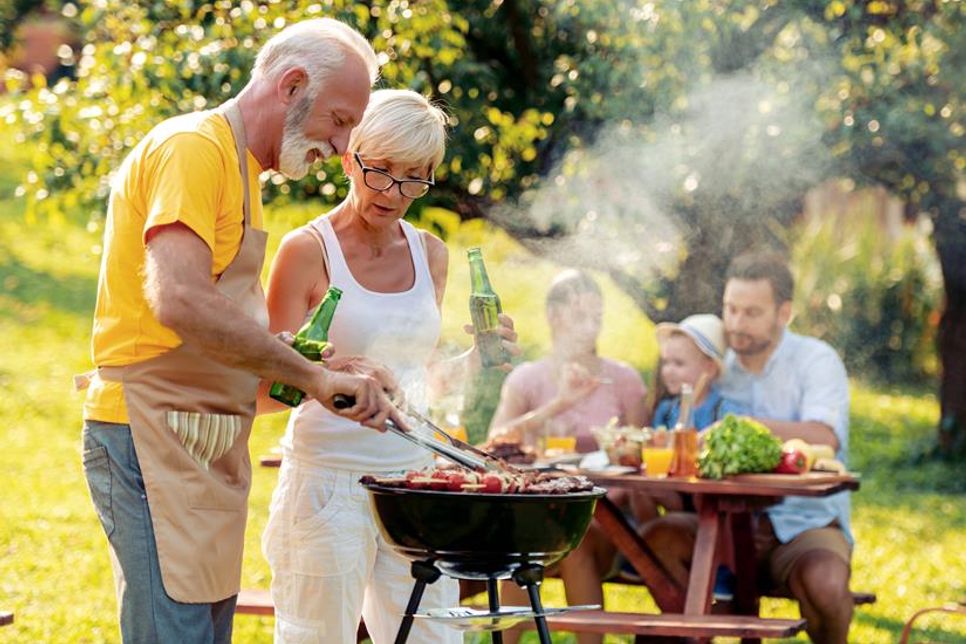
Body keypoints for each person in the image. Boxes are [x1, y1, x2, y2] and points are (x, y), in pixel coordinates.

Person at [78, 19, 403, 643]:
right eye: (339, 121)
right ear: (292, 85)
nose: (342, 147)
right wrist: (310, 377)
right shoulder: (193, 149)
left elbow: (220, 328)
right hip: (146, 432)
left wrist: (314, 367)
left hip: (201, 441)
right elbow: (179, 299)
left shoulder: (243, 169)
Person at [259, 88, 519, 643]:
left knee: (435, 637)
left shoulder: (431, 254)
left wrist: (477, 361)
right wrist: (333, 376)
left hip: (414, 483)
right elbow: (267, 385)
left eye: (413, 178)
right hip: (329, 483)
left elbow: (416, 384)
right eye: (380, 170)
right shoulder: (306, 251)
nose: (393, 193)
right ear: (350, 160)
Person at [644, 251, 853, 643]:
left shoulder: (815, 360)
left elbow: (825, 437)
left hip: (801, 525)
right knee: (658, 541)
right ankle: (697, 632)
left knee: (825, 583)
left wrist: (746, 427)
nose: (737, 325)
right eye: (731, 309)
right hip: (721, 524)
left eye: (752, 313)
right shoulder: (715, 365)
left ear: (784, 313)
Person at [488, 269, 648, 644]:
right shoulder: (527, 379)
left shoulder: (624, 380)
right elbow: (493, 445)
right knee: (522, 541)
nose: (591, 326)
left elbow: (640, 456)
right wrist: (559, 403)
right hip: (535, 514)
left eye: (597, 316)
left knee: (573, 541)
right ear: (553, 316)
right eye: (580, 316)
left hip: (607, 519)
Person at [652, 313, 747, 430]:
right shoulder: (665, 412)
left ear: (710, 369)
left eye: (679, 363)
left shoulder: (725, 412)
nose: (668, 371)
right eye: (666, 362)